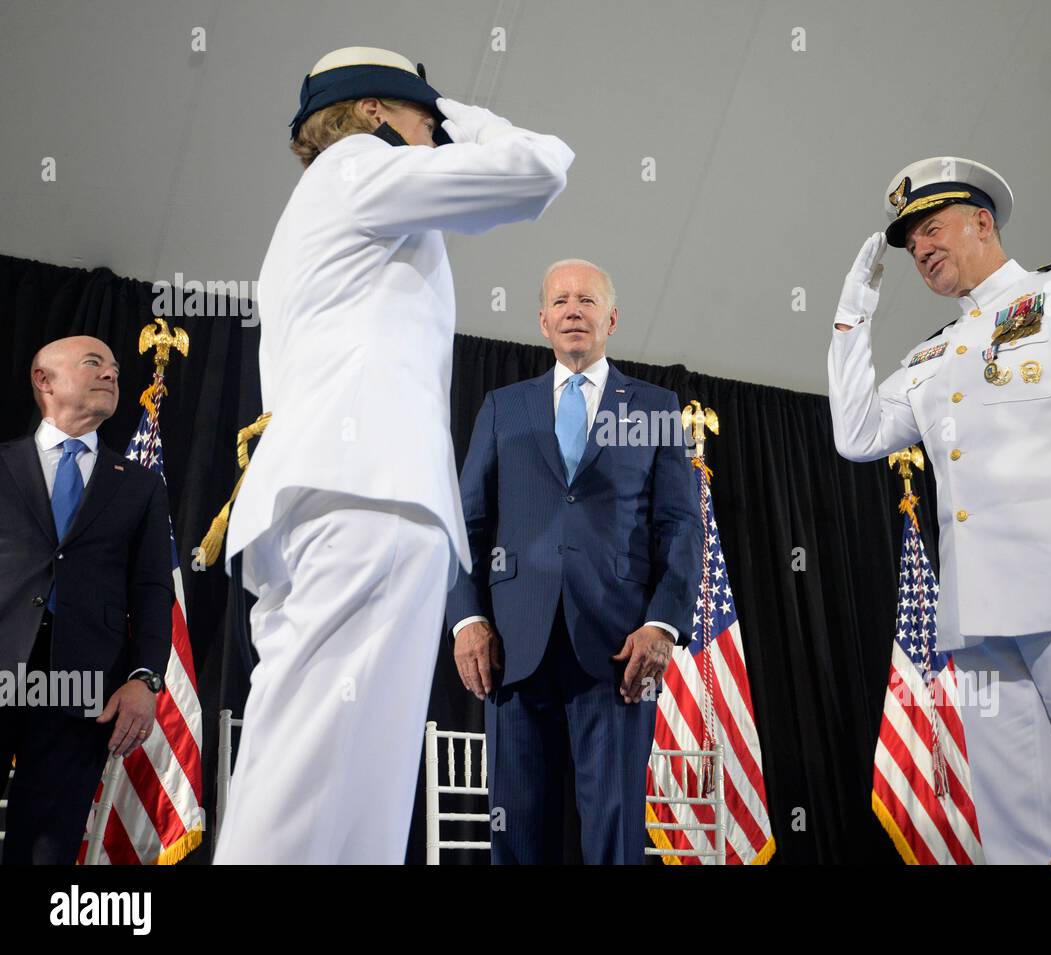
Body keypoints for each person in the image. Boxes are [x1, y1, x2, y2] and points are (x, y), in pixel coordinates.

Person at [216, 46, 573, 864]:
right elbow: (539, 170)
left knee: (355, 794)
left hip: (355, 502)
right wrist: (463, 118)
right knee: (312, 778)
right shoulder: (356, 167)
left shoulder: (334, 195)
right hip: (364, 501)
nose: (433, 135)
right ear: (377, 112)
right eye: (423, 117)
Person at [828, 157, 1051, 863]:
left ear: (981, 221)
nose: (920, 248)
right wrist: (851, 316)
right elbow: (858, 432)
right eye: (909, 242)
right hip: (981, 613)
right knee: (1017, 826)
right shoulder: (938, 349)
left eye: (932, 228)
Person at [447, 259, 703, 864]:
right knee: (517, 834)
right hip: (512, 648)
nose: (573, 310)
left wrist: (663, 624)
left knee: (616, 833)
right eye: (560, 301)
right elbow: (466, 526)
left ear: (611, 319)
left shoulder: (654, 406)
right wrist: (465, 620)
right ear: (542, 321)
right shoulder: (503, 407)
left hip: (620, 651)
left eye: (587, 301)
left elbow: (680, 525)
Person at [0, 335, 171, 864]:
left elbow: (151, 590)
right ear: (43, 381)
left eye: (116, 368)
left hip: (83, 686)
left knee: (47, 842)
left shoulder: (139, 484)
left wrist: (145, 679)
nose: (112, 375)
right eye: (94, 363)